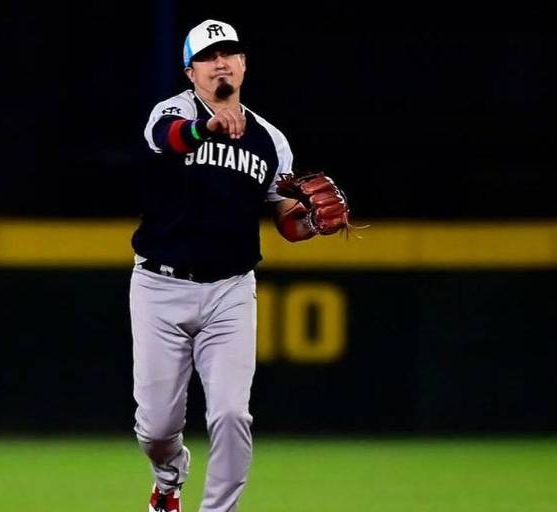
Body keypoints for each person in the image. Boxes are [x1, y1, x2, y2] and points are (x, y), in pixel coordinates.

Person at [131, 19, 349, 512]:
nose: (220, 62)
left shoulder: (271, 140)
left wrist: (314, 223)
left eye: (229, 53)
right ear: (191, 73)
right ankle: (168, 478)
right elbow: (168, 138)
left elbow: (287, 222)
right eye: (208, 57)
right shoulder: (172, 111)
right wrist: (206, 125)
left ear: (244, 65)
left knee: (232, 415)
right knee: (157, 428)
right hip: (159, 287)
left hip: (230, 290)